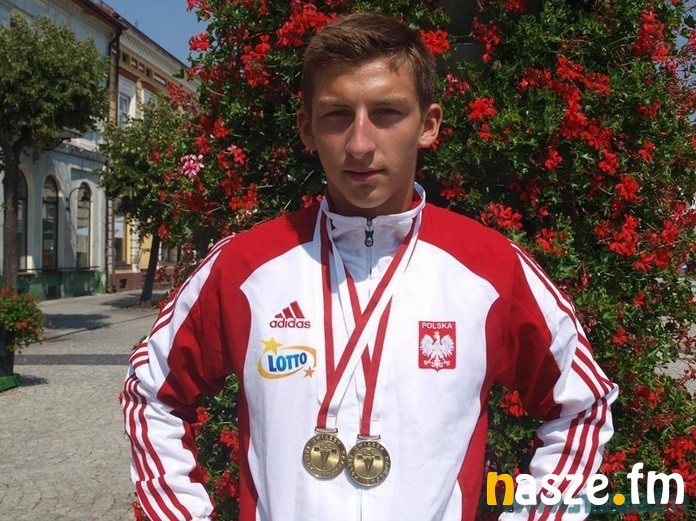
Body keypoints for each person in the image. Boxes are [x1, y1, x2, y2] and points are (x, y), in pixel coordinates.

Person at [121, 12, 618, 521]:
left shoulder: (490, 268)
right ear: (308, 128)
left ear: (428, 125)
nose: (360, 143)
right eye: (337, 115)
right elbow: (150, 394)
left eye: (386, 113)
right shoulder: (244, 267)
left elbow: (584, 405)